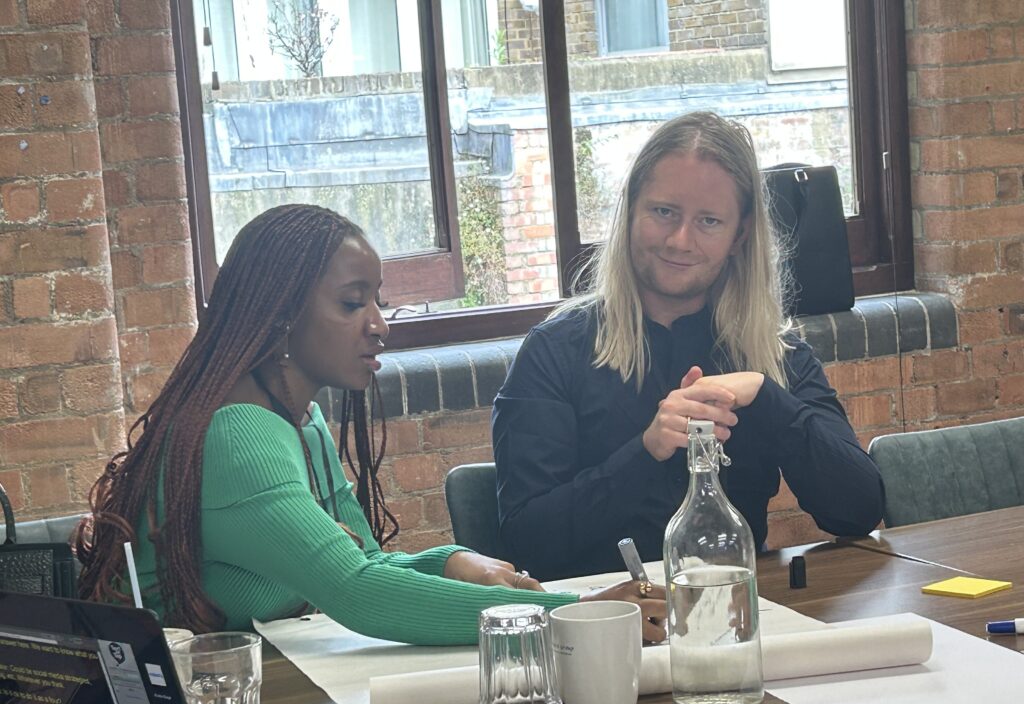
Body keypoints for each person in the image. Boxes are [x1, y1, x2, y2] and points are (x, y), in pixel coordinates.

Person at [76, 204, 666, 645]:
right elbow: (356, 592)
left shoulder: (298, 422)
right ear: (281, 314)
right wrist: (578, 613)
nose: (380, 324)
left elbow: (357, 562)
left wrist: (448, 561)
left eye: (377, 301)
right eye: (353, 303)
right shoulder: (238, 437)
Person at [492, 112, 884, 581]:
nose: (680, 240)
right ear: (631, 210)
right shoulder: (554, 352)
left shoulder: (774, 354)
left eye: (708, 221)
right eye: (664, 212)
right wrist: (647, 450)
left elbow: (859, 512)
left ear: (740, 235)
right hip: (601, 627)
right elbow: (526, 543)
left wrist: (768, 397)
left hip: (740, 615)